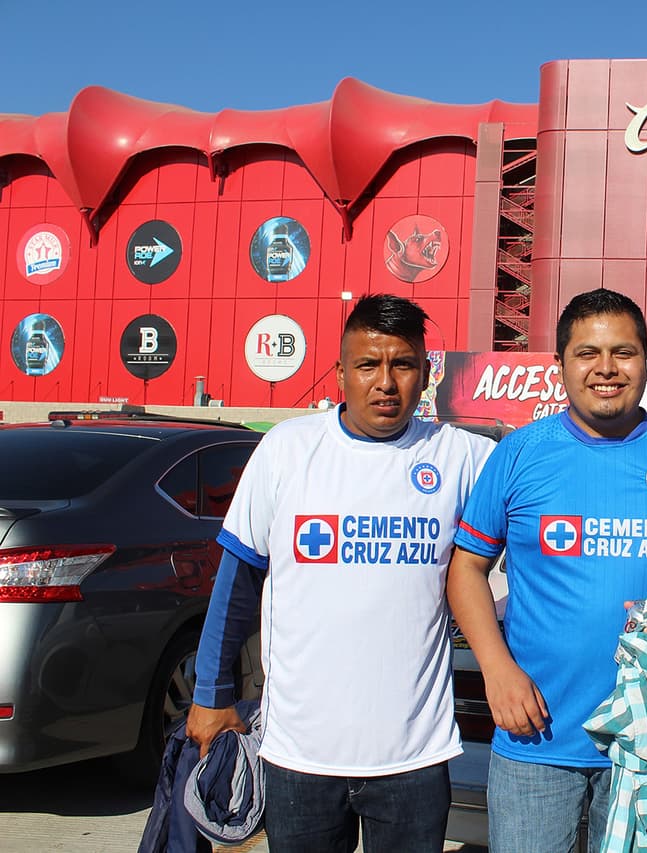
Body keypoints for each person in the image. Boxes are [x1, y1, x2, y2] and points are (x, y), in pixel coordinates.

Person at [185, 294, 495, 853]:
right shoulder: (287, 449)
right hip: (298, 753)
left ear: (426, 373)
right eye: (367, 365)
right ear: (340, 372)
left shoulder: (465, 459)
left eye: (402, 365)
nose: (385, 382)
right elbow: (237, 581)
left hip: (414, 755)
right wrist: (211, 693)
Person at [446, 287, 647, 853]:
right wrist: (497, 670)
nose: (606, 369)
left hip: (643, 734)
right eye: (587, 354)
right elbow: (466, 569)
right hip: (536, 731)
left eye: (623, 353)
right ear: (560, 367)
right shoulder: (520, 454)